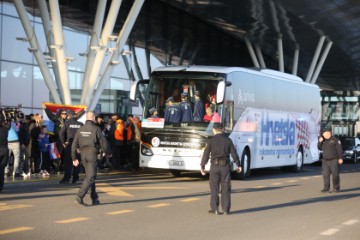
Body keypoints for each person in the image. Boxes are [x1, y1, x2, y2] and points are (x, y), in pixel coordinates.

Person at [200, 123, 241, 215]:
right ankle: (226, 209)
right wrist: (238, 165)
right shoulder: (228, 141)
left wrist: (202, 166)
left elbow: (206, 154)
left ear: (214, 130)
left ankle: (215, 209)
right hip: (225, 167)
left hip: (214, 167)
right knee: (226, 188)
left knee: (214, 188)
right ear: (223, 129)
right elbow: (234, 153)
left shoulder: (211, 141)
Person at [72, 111, 111, 206]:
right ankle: (80, 196)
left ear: (86, 118)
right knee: (91, 176)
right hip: (92, 154)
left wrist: (74, 158)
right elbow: (103, 142)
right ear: (93, 118)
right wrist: (108, 153)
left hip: (83, 155)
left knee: (90, 176)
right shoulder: (96, 129)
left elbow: (74, 144)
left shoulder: (80, 129)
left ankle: (95, 198)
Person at [59, 110, 83, 184]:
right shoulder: (80, 124)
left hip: (69, 144)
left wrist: (63, 142)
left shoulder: (67, 123)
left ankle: (66, 178)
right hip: (78, 145)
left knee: (68, 162)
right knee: (76, 161)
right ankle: (75, 178)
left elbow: (61, 133)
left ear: (69, 116)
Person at [317, 127, 343, 193]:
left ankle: (336, 188)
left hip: (334, 159)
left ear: (329, 133)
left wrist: (340, 158)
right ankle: (326, 188)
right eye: (323, 134)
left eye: (325, 133)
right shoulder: (323, 140)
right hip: (325, 160)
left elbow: (339, 150)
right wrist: (319, 142)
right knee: (325, 175)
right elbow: (319, 148)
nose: (324, 135)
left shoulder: (335, 140)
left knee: (335, 175)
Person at [0, 111, 10, 192]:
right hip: (5, 149)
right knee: (2, 169)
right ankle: (1, 186)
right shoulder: (5, 129)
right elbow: (8, 123)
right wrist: (4, 114)